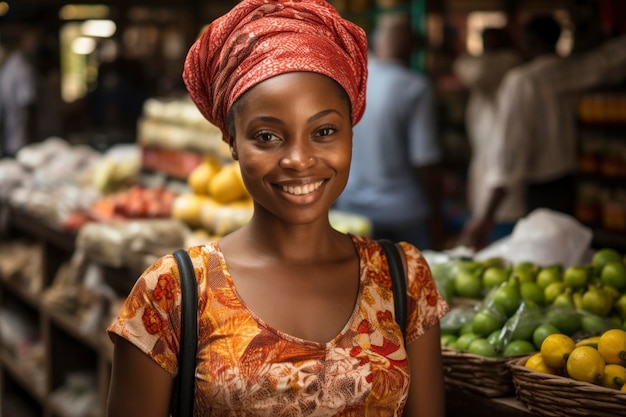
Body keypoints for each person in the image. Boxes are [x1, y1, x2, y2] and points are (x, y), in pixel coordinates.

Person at [106, 1, 450, 417]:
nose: (299, 160)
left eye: (324, 131)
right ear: (231, 141)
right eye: (267, 136)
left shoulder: (403, 279)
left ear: (351, 131)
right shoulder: (172, 292)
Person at [460, 15, 626, 250]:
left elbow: (509, 153)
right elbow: (608, 60)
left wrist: (486, 215)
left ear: (531, 42)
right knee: (562, 254)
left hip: (534, 192)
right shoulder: (571, 71)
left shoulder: (522, 81)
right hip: (567, 186)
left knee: (538, 258)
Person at [334, 13, 443, 251]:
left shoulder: (350, 81)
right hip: (404, 213)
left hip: (352, 211)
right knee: (411, 284)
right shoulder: (414, 86)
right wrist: (437, 212)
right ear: (412, 48)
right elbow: (425, 158)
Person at [453, 27, 523, 244]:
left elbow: (475, 72)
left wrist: (457, 60)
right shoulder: (493, 70)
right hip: (488, 171)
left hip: (502, 180)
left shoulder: (507, 63)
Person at [0, 19, 61, 158]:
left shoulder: (11, 68)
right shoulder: (20, 69)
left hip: (15, 141)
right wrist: (32, 144)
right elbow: (28, 106)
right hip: (23, 143)